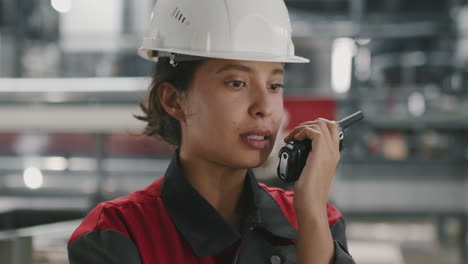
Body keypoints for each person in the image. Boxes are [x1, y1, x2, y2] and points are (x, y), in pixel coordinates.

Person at [67, 0, 356, 263]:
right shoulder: (116, 234)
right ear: (174, 100)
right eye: (237, 83)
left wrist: (312, 217)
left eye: (274, 85)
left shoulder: (317, 218)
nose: (264, 107)